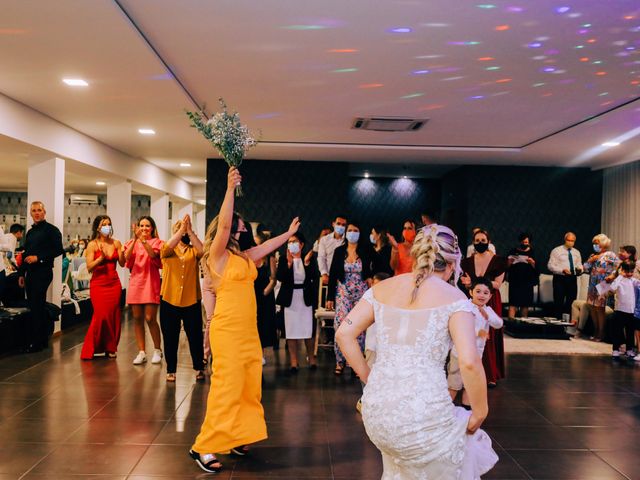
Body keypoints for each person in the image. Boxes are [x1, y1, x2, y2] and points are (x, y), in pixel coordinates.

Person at [336, 224, 498, 479]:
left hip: (377, 413)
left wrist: (370, 378)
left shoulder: (381, 288)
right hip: (423, 416)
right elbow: (468, 361)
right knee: (465, 442)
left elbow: (343, 334)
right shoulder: (456, 300)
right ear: (454, 262)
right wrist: (480, 412)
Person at [190, 167, 300, 473]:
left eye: (240, 228)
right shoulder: (217, 256)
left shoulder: (242, 256)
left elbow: (265, 247)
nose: (239, 231)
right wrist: (228, 189)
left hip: (247, 331)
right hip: (226, 329)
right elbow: (223, 223)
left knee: (249, 387)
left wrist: (289, 235)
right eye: (237, 228)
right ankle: (205, 445)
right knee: (227, 387)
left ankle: (237, 436)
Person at [159, 215, 205, 382]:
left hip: (191, 299)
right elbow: (166, 248)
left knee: (195, 336)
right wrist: (180, 230)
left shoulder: (194, 250)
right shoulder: (168, 250)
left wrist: (190, 231)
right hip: (169, 299)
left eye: (185, 230)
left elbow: (203, 251)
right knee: (170, 336)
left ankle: (199, 367)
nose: (184, 233)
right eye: (181, 230)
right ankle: (171, 369)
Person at [460, 229, 507, 387]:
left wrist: (473, 281)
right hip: (473, 300)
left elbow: (497, 284)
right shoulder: (467, 261)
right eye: (477, 241)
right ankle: (470, 371)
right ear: (473, 243)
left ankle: (490, 374)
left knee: (490, 336)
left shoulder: (498, 261)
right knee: (472, 334)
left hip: (490, 301)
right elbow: (466, 283)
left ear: (489, 241)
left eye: (483, 240)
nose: (480, 243)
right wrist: (468, 284)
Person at [449, 277, 503, 408]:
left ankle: (466, 411)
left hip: (477, 353)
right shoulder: (465, 307)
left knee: (470, 383)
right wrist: (478, 332)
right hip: (459, 352)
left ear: (490, 296)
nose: (482, 295)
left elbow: (499, 324)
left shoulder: (488, 310)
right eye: (478, 291)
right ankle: (445, 409)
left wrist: (488, 316)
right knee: (454, 381)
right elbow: (461, 328)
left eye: (486, 293)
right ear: (471, 292)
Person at [17, 201, 64, 352]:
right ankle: (41, 339)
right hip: (30, 273)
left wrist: (39, 258)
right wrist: (21, 273)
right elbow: (26, 253)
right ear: (30, 213)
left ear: (44, 212)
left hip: (43, 272)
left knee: (36, 305)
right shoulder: (30, 232)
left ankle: (36, 342)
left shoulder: (52, 230)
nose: (36, 213)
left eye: (39, 210)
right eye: (34, 211)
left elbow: (58, 250)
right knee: (36, 306)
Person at [327, 221, 372, 375]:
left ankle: (356, 364)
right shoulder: (339, 251)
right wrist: (330, 297)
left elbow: (381, 265)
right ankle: (340, 361)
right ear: (346, 233)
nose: (353, 232)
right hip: (343, 292)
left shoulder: (366, 250)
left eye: (356, 230)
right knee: (340, 325)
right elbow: (333, 274)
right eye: (350, 230)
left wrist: (371, 277)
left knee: (359, 327)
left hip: (361, 292)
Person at [80, 216, 125, 360]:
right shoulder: (92, 244)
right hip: (98, 284)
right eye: (104, 224)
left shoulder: (116, 243)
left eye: (109, 224)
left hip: (114, 283)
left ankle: (110, 347)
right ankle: (93, 347)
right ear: (97, 228)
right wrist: (101, 259)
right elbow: (89, 267)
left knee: (112, 315)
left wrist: (123, 253)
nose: (107, 226)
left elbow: (123, 264)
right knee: (101, 315)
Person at [124, 216, 164, 365]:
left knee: (150, 318)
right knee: (137, 318)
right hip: (136, 283)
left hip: (150, 283)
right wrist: (135, 239)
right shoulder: (132, 242)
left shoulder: (157, 242)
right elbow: (126, 260)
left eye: (147, 226)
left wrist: (143, 240)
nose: (144, 228)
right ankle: (141, 352)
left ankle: (158, 350)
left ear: (152, 228)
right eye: (141, 225)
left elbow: (153, 255)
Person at [276, 231, 318, 372]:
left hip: (305, 298)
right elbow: (281, 277)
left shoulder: (310, 259)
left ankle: (311, 358)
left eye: (295, 242)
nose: (292, 244)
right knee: (291, 330)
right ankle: (294, 361)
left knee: (308, 330)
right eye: (290, 242)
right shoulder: (283, 259)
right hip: (290, 299)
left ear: (301, 244)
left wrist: (306, 263)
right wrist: (288, 264)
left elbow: (314, 276)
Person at [356, 271, 390, 413]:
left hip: (386, 345)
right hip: (371, 343)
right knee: (368, 369)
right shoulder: (369, 300)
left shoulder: (392, 301)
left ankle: (378, 400)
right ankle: (365, 399)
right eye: (373, 285)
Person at [582, 233, 619, 341]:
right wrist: (590, 260)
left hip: (603, 283)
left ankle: (601, 333)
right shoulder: (593, 255)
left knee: (599, 308)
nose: (594, 245)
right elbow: (584, 268)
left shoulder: (610, 254)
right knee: (592, 307)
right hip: (593, 283)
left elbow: (619, 267)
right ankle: (595, 330)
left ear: (602, 244)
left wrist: (611, 276)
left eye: (596, 243)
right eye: (594, 243)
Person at [599, 261, 639, 359]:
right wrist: (620, 276)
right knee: (617, 331)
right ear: (622, 270)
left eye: (631, 271)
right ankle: (615, 350)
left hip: (632, 311)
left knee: (630, 331)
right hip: (620, 310)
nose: (629, 274)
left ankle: (629, 349)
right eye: (627, 271)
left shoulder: (634, 281)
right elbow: (612, 288)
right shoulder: (619, 280)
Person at [254, 224, 278, 361]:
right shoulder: (250, 259)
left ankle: (261, 354)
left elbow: (273, 279)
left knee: (263, 325)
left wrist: (264, 293)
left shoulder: (270, 259)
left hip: (265, 296)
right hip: (252, 295)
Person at [548, 232, 583, 320]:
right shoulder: (556, 250)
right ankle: (558, 326)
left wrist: (580, 269)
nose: (571, 242)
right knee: (558, 302)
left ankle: (569, 325)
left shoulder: (576, 252)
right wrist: (561, 270)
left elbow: (579, 264)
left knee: (571, 303)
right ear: (565, 240)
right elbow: (550, 266)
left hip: (572, 279)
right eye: (569, 240)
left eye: (573, 241)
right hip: (560, 279)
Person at [506, 233, 538, 319]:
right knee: (513, 303)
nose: (524, 244)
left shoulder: (532, 252)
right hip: (515, 281)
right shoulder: (513, 251)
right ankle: (511, 324)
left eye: (526, 242)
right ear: (520, 241)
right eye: (523, 242)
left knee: (525, 304)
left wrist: (533, 263)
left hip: (527, 281)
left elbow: (537, 268)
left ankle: (523, 323)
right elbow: (506, 266)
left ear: (529, 243)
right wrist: (509, 262)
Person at [317, 215, 347, 285]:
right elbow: (321, 257)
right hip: (329, 276)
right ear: (333, 224)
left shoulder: (349, 240)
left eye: (343, 225)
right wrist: (324, 273)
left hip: (346, 276)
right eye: (338, 224)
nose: (340, 226)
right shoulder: (324, 240)